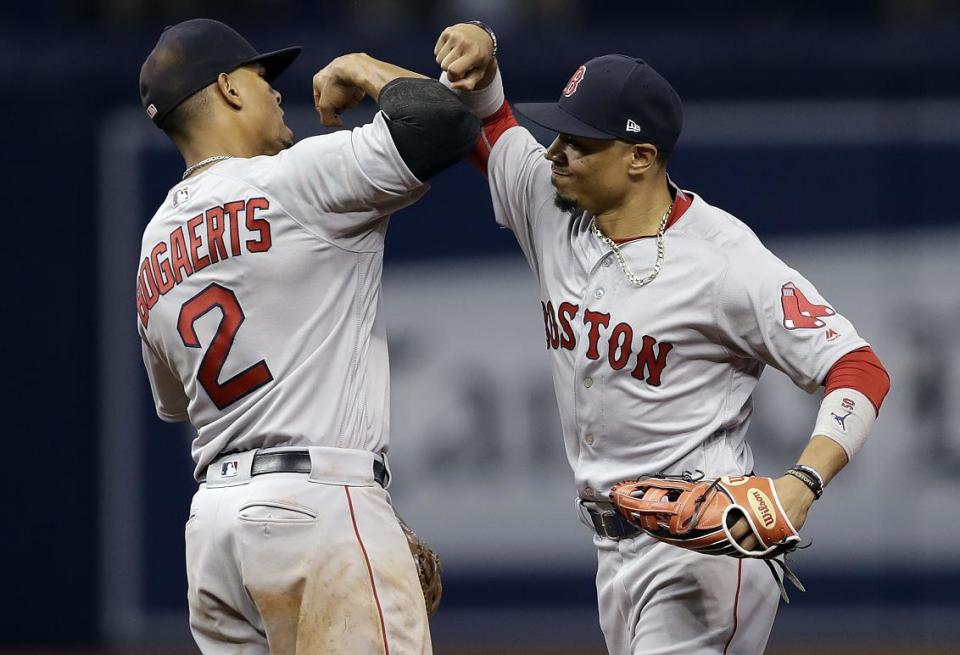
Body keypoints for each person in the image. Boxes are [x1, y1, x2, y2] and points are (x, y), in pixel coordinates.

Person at [432, 22, 890, 654]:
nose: (556, 152)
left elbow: (859, 369)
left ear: (641, 157)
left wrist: (802, 483)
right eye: (559, 134)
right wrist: (479, 58)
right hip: (611, 553)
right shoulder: (555, 206)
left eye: (580, 140)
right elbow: (494, 133)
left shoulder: (726, 261)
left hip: (702, 556)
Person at [135, 18, 478, 655]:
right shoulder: (290, 180)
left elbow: (178, 404)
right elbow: (445, 123)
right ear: (228, 88)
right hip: (319, 507)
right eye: (263, 79)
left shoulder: (153, 251)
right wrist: (363, 68)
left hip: (214, 535)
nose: (276, 94)